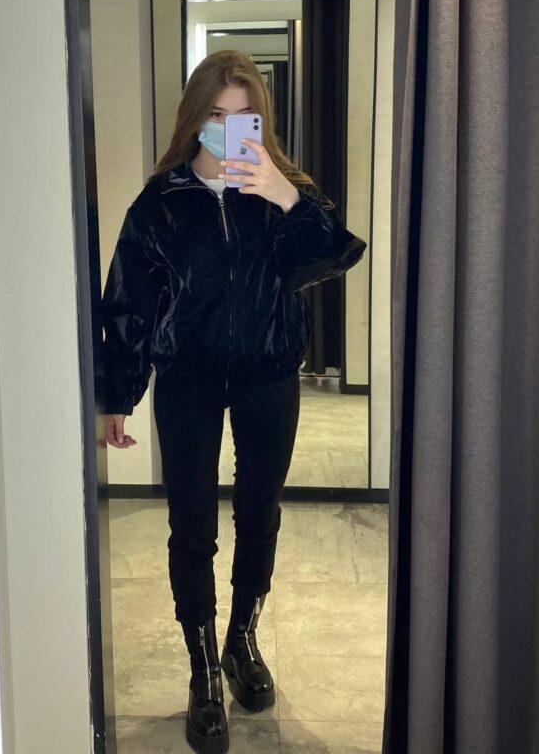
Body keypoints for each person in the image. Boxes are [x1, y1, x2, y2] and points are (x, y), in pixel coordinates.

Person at [97, 49, 366, 754]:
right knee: (190, 523)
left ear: (261, 121)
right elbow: (128, 302)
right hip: (186, 378)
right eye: (216, 115)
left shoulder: (285, 194)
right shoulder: (161, 203)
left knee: (259, 512)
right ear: (195, 118)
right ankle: (201, 670)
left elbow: (332, 258)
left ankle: (241, 638)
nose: (228, 128)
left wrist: (284, 196)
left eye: (244, 116)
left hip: (266, 374)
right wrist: (117, 394)